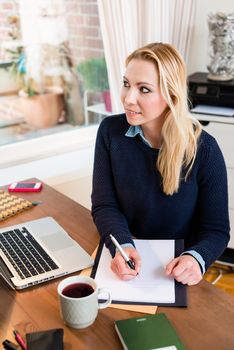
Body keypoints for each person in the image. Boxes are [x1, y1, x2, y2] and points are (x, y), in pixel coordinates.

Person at [91, 42, 230, 286]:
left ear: (171, 95)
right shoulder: (109, 132)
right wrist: (122, 244)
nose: (128, 99)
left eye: (144, 89)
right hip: (126, 254)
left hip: (173, 269)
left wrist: (196, 258)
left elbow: (216, 229)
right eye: (126, 84)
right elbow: (105, 204)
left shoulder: (205, 150)